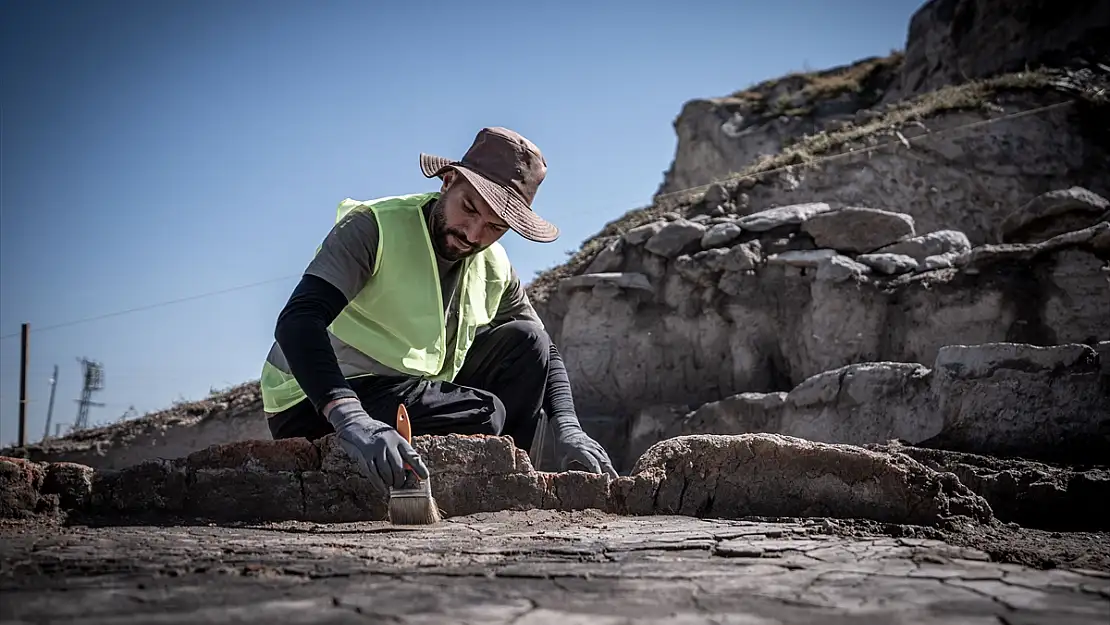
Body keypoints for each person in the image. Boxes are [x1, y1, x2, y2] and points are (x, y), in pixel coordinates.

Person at [259, 126, 618, 495]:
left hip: (407, 391)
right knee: (485, 413)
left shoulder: (493, 264)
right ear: (448, 180)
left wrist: (569, 427)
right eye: (469, 209)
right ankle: (471, 483)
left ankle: (506, 489)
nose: (474, 235)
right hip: (315, 400)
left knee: (528, 342)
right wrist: (352, 420)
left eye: (496, 227)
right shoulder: (374, 227)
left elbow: (545, 351)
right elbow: (298, 320)